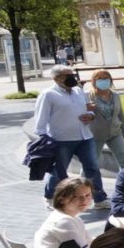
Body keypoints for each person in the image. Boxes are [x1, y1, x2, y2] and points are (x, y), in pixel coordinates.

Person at [32, 65, 108, 209]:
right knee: (58, 171)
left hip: (85, 137)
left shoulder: (79, 91)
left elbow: (88, 110)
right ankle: (50, 197)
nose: (72, 78)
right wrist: (44, 138)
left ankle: (99, 199)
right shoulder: (48, 94)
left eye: (72, 74)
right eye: (67, 75)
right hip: (61, 139)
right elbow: (40, 119)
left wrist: (90, 116)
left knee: (92, 169)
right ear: (57, 78)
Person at [33, 177, 95, 248]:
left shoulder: (71, 218)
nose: (84, 200)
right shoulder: (63, 222)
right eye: (76, 196)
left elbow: (89, 243)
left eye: (88, 195)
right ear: (62, 200)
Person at [86, 69, 124, 173]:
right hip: (95, 135)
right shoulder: (88, 96)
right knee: (90, 163)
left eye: (106, 78)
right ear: (93, 81)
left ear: (110, 80)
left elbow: (120, 114)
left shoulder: (115, 95)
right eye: (99, 78)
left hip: (115, 133)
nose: (103, 81)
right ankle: (83, 187)